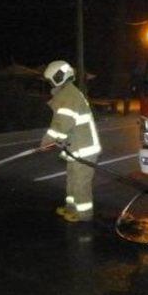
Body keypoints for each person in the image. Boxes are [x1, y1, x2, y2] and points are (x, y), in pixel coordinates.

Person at [40, 60, 101, 223]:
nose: (49, 83)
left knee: (81, 183)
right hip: (76, 148)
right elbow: (66, 124)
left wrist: (48, 140)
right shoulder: (66, 94)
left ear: (58, 77)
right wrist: (58, 140)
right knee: (72, 180)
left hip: (85, 150)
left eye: (51, 79)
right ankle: (72, 208)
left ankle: (84, 214)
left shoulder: (70, 95)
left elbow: (62, 123)